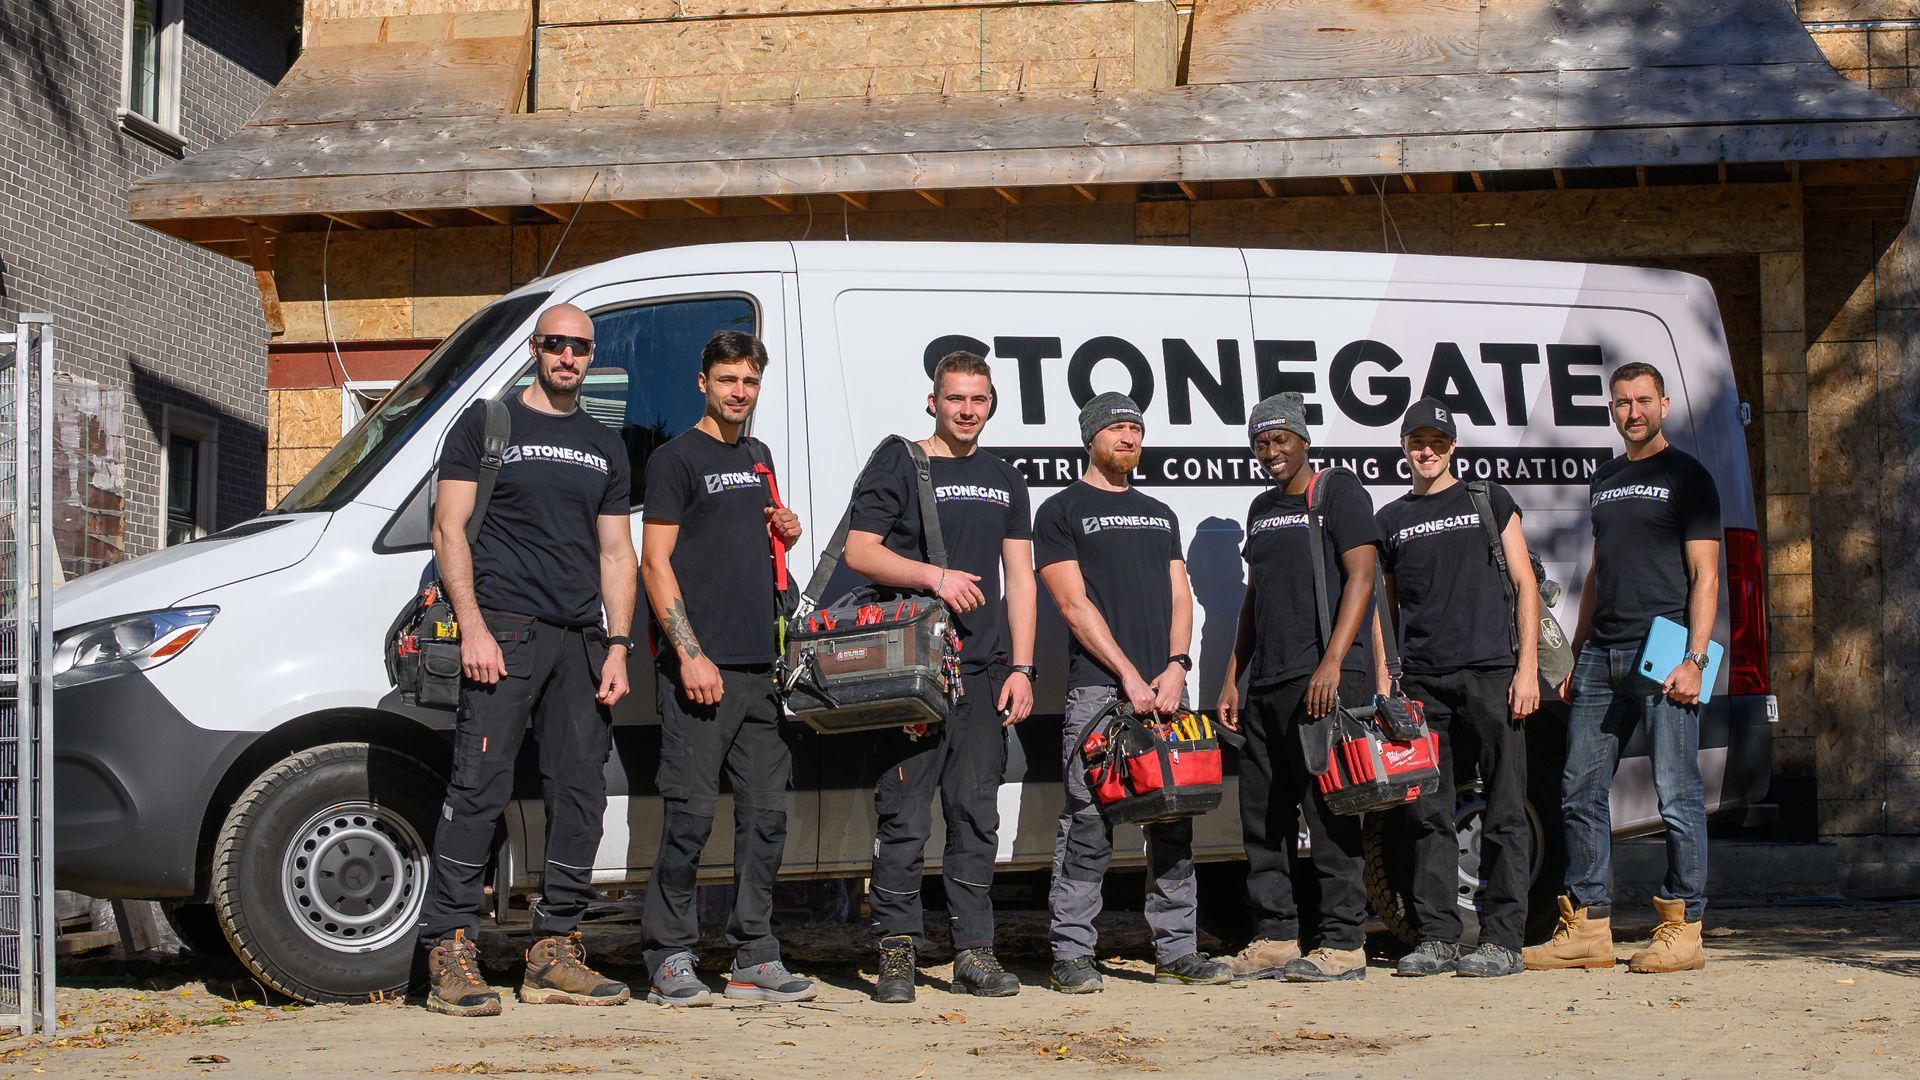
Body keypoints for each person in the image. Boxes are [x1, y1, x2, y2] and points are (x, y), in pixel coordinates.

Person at [415, 303, 637, 1017]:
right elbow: (448, 527)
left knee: (580, 794)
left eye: (580, 347)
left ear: (591, 357)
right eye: (556, 344)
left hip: (580, 642)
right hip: (503, 632)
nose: (568, 356)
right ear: (535, 349)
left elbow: (614, 552)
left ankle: (555, 949)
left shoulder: (607, 446)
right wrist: (472, 627)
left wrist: (620, 646)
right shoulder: (488, 425)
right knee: (477, 790)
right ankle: (451, 949)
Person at [843, 351, 1037, 1003]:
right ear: (934, 402)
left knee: (974, 815)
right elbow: (859, 550)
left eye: (978, 400)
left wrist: (1024, 668)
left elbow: (1022, 580)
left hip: (982, 676)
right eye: (955, 398)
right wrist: (936, 578)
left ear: (991, 405)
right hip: (911, 676)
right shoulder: (901, 461)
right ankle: (897, 954)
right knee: (903, 818)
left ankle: (974, 954)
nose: (966, 410)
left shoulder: (1006, 479)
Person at [637, 330, 815, 1007]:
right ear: (703, 382)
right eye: (727, 380)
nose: (739, 392)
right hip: (699, 671)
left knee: (766, 818)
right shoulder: (674, 460)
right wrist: (689, 654)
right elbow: (656, 564)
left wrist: (785, 534)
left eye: (749, 381)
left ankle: (754, 956)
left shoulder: (760, 457)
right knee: (687, 818)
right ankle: (670, 955)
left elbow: (751, 555)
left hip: (762, 671)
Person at [1525, 362, 1720, 975]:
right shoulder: (1604, 478)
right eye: (1621, 402)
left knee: (1677, 793)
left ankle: (1682, 927)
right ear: (1611, 409)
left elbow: (1705, 575)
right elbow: (1601, 566)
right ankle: (1588, 927)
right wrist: (1577, 647)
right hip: (1602, 652)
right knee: (1579, 790)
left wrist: (1694, 658)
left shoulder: (1688, 476)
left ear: (1663, 404)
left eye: (1643, 401)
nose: (1632, 412)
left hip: (1666, 647)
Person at [1035, 392, 1233, 994]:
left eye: (1136, 429)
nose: (1130, 437)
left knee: (1173, 822)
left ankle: (1177, 952)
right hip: (1100, 692)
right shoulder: (1060, 510)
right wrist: (1125, 672)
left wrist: (1176, 666)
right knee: (1088, 824)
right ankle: (1072, 954)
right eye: (1118, 428)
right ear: (1091, 437)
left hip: (1167, 694)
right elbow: (1072, 604)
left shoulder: (1159, 512)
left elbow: (1181, 596)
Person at [1216, 391, 1385, 983]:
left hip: (1322, 680)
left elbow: (1362, 577)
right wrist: (1235, 678)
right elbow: (1253, 598)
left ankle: (1344, 942)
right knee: (1263, 816)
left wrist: (1334, 662)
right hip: (1266, 682)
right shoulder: (1261, 508)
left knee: (1331, 809)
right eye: (1260, 443)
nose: (1270, 452)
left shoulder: (1337, 492)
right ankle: (1276, 936)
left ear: (1303, 440)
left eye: (1280, 440)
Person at [1374, 397, 1540, 979]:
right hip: (1424, 686)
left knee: (1503, 810)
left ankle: (1502, 941)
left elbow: (1525, 586)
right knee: (1427, 816)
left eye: (1437, 443)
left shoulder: (1487, 500)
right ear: (1403, 447)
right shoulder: (1390, 520)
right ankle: (1439, 937)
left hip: (1493, 674)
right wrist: (1386, 681)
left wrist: (1525, 670)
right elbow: (1383, 610)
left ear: (1452, 448)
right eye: (1417, 442)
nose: (1427, 451)